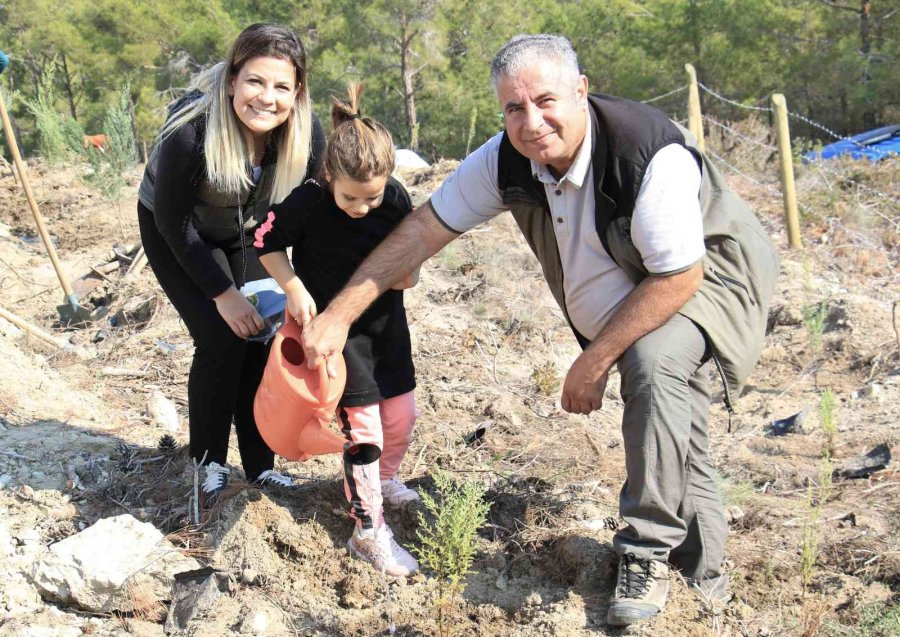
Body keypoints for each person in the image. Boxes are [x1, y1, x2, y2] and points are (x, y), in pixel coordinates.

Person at [300, 35, 779, 625]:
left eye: (545, 100)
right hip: (643, 284)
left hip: (703, 279)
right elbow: (424, 231)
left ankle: (646, 554)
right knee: (675, 422)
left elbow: (676, 277)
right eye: (513, 108)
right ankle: (704, 581)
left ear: (581, 91)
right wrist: (339, 313)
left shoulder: (645, 154)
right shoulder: (507, 157)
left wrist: (594, 358)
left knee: (653, 367)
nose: (531, 122)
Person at [137, 23, 326, 507]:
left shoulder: (309, 136)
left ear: (298, 91)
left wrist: (301, 290)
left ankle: (261, 468)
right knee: (222, 336)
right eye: (255, 82)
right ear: (232, 81)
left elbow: (310, 220)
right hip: (179, 228)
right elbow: (174, 223)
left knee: (264, 333)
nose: (267, 98)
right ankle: (208, 466)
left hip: (251, 233)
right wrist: (223, 294)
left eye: (282, 86)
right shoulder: (190, 132)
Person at [255, 84, 421, 577]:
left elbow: (412, 249)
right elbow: (263, 241)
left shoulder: (392, 198)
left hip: (388, 326)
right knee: (363, 430)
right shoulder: (306, 202)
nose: (364, 207)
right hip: (336, 339)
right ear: (329, 175)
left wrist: (410, 272)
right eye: (352, 197)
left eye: (373, 196)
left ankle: (383, 479)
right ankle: (368, 530)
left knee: (401, 417)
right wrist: (293, 287)